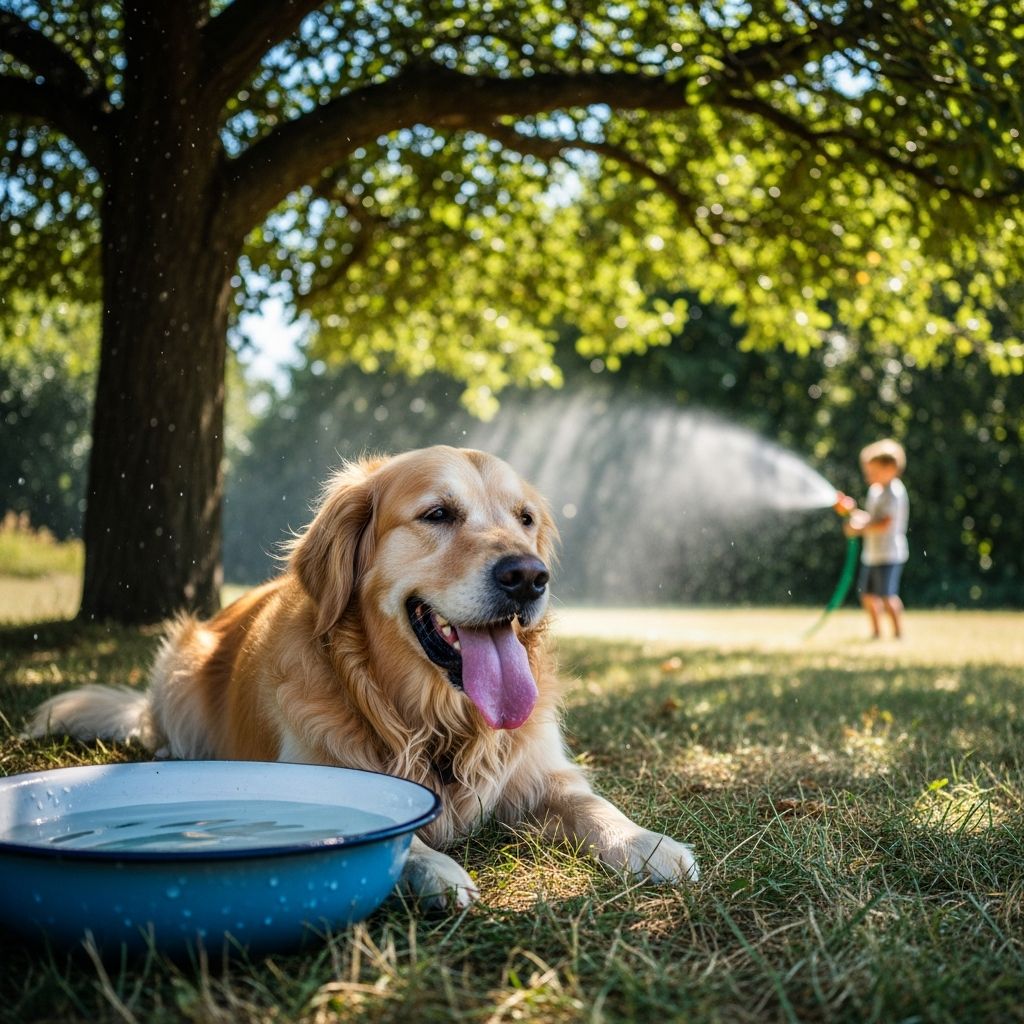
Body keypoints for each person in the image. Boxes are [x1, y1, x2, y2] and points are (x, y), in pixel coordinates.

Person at [833, 439, 910, 639]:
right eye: (868, 472)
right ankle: (876, 633)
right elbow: (870, 519)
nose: (869, 477)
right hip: (872, 554)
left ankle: (898, 633)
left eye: (873, 472)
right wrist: (851, 511)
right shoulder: (876, 491)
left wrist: (858, 529)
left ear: (891, 468)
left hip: (889, 554)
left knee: (887, 596)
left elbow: (884, 523)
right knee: (867, 596)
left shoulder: (894, 493)